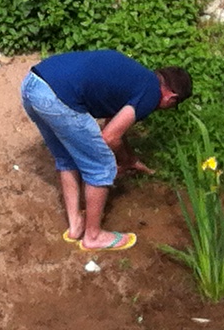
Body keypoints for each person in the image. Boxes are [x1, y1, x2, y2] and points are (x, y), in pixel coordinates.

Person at [20, 49, 189, 252]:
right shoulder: (151, 93)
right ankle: (93, 236)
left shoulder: (137, 78)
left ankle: (75, 227)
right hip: (58, 97)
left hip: (33, 84)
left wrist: (129, 159)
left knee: (67, 158)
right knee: (102, 166)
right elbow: (109, 137)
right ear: (171, 97)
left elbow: (114, 124)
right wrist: (120, 161)